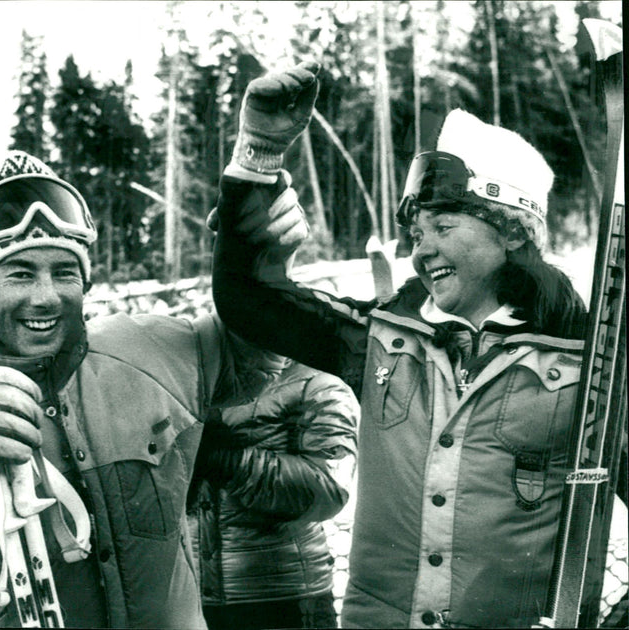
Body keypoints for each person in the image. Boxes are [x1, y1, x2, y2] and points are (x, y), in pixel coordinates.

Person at [208, 62, 625, 628]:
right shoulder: (381, 338)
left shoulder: (590, 364)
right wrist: (259, 153)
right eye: (416, 232)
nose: (420, 250)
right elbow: (250, 298)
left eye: (443, 227)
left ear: (512, 231)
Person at [0, 150, 291, 628]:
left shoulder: (149, 349)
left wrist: (260, 250)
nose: (46, 296)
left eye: (64, 272)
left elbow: (253, 352)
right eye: (21, 273)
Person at [188, 358, 359, 630]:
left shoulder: (318, 386)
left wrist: (230, 462)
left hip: (284, 597)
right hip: (191, 596)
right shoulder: (195, 380)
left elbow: (328, 491)